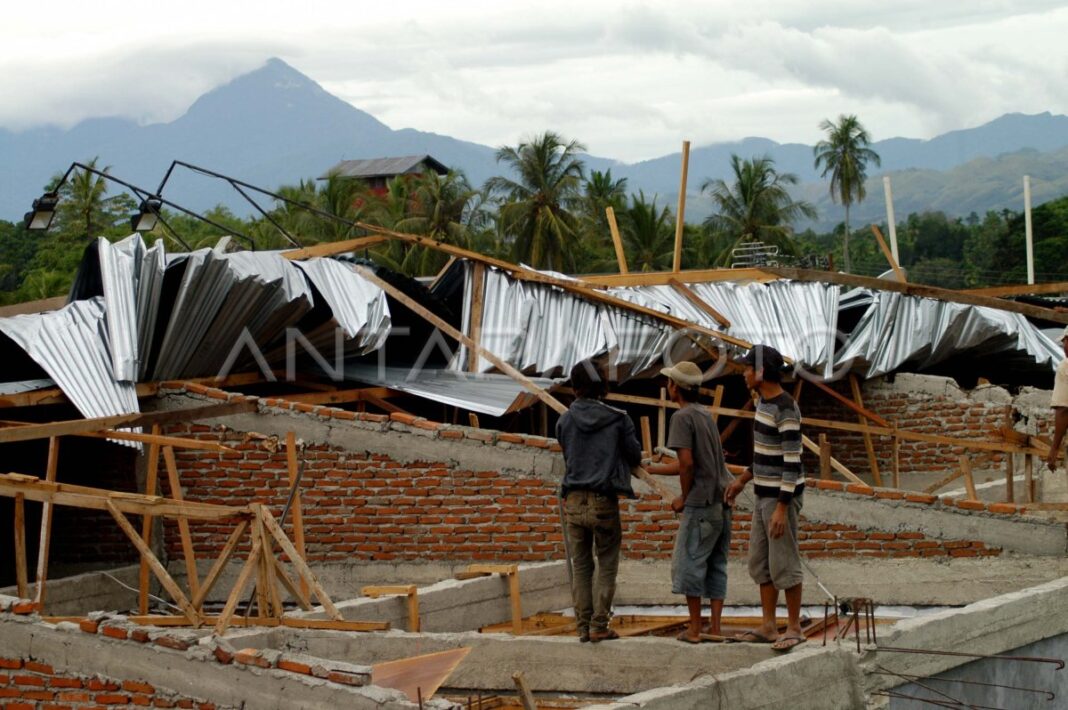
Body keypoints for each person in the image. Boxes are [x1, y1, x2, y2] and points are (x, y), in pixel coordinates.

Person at [724, 344, 806, 652]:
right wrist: (743, 480)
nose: (744, 373)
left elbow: (792, 461)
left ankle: (794, 627)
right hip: (763, 493)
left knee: (784, 560)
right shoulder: (762, 404)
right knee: (761, 561)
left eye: (747, 368)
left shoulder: (785, 408)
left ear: (760, 372)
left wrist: (782, 508)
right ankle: (769, 625)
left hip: (780, 498)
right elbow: (763, 454)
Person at [644, 360, 733, 643]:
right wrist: (653, 469)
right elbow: (691, 463)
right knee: (716, 565)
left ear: (675, 387)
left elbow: (687, 464)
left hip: (701, 503)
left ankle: (694, 629)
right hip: (721, 503)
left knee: (688, 564)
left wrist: (684, 497)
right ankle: (715, 628)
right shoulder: (704, 414)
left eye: (669, 382)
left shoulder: (681, 417)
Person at [556, 359, 642, 643]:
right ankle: (599, 625)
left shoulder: (564, 421)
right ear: (602, 386)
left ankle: (582, 627)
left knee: (581, 566)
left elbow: (568, 453)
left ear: (575, 387)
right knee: (606, 563)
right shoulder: (618, 419)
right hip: (603, 501)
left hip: (573, 500)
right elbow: (634, 456)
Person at [1046, 326, 1068, 471]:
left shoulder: (1065, 366)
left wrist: (1054, 449)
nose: (1063, 346)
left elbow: (1063, 410)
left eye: (1064, 342)